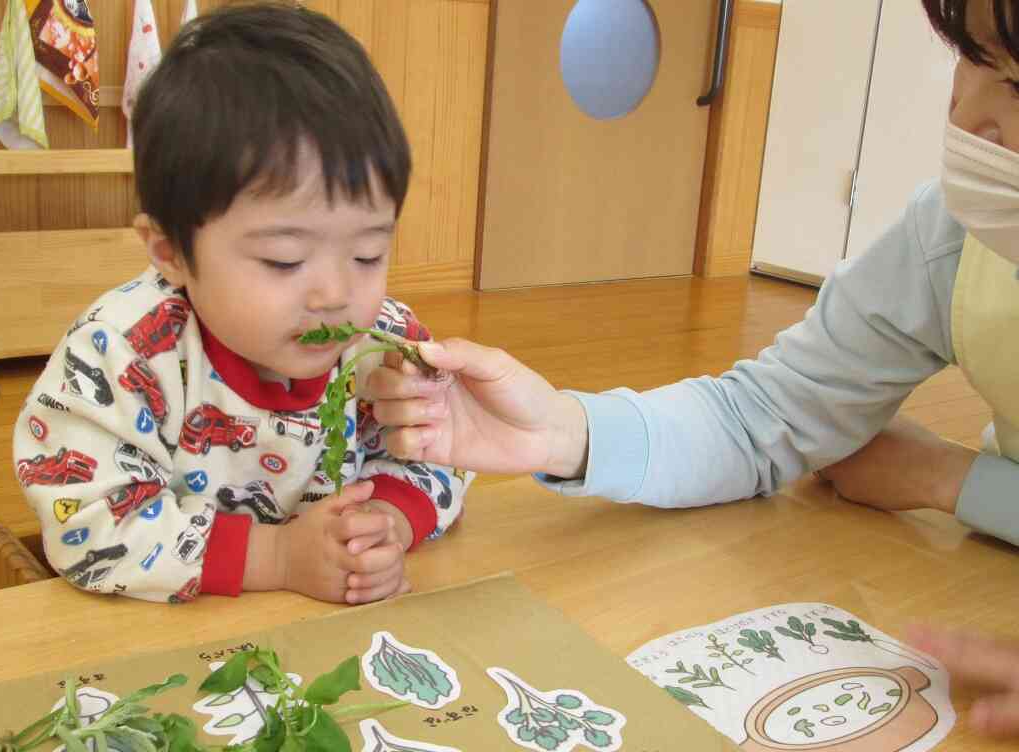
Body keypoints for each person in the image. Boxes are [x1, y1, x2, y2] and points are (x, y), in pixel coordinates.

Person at [364, 0, 1019, 737]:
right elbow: (761, 418)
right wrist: (561, 431)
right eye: (976, 56)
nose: (970, 113)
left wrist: (957, 482)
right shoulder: (953, 238)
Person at [12, 2, 471, 606]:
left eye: (367, 255)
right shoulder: (122, 354)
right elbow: (87, 522)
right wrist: (277, 556)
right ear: (171, 251)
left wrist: (389, 521)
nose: (336, 295)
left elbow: (446, 454)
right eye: (284, 261)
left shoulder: (385, 347)